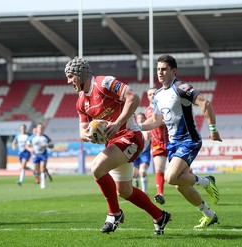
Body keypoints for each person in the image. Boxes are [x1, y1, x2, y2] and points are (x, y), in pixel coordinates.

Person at [64, 57, 171, 235]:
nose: (68, 81)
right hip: (115, 143)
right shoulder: (81, 102)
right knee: (124, 191)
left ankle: (114, 213)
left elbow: (133, 98)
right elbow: (82, 132)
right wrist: (89, 136)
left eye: (70, 76)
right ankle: (160, 216)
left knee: (97, 168)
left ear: (81, 74)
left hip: (130, 137)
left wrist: (117, 123)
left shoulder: (104, 83)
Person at [140, 54, 221, 228]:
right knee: (179, 184)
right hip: (173, 144)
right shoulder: (159, 95)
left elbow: (205, 103)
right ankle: (209, 214)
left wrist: (213, 130)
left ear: (173, 71)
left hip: (189, 140)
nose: (160, 73)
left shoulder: (181, 87)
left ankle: (207, 182)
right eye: (158, 69)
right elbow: (155, 120)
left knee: (171, 177)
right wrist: (137, 127)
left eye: (164, 69)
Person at [144, 87, 169, 204]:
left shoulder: (165, 106)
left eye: (154, 93)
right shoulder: (147, 111)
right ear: (147, 97)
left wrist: (159, 121)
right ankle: (160, 194)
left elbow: (170, 121)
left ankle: (195, 179)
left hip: (171, 141)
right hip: (157, 143)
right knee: (159, 168)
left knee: (181, 170)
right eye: (150, 94)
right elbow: (149, 126)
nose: (152, 95)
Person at [26, 123, 54, 189]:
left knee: (42, 168)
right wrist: (30, 149)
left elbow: (52, 146)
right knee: (36, 171)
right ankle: (39, 177)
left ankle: (43, 184)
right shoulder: (32, 137)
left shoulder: (46, 137)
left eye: (41, 128)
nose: (40, 129)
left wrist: (46, 145)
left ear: (43, 129)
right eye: (39, 128)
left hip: (43, 154)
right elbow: (26, 145)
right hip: (35, 155)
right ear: (37, 129)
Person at [132, 113, 151, 194]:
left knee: (142, 171)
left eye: (142, 117)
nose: (141, 119)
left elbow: (149, 138)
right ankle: (136, 183)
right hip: (135, 153)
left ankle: (144, 192)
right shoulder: (134, 129)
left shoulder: (148, 129)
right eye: (139, 118)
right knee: (134, 174)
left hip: (144, 153)